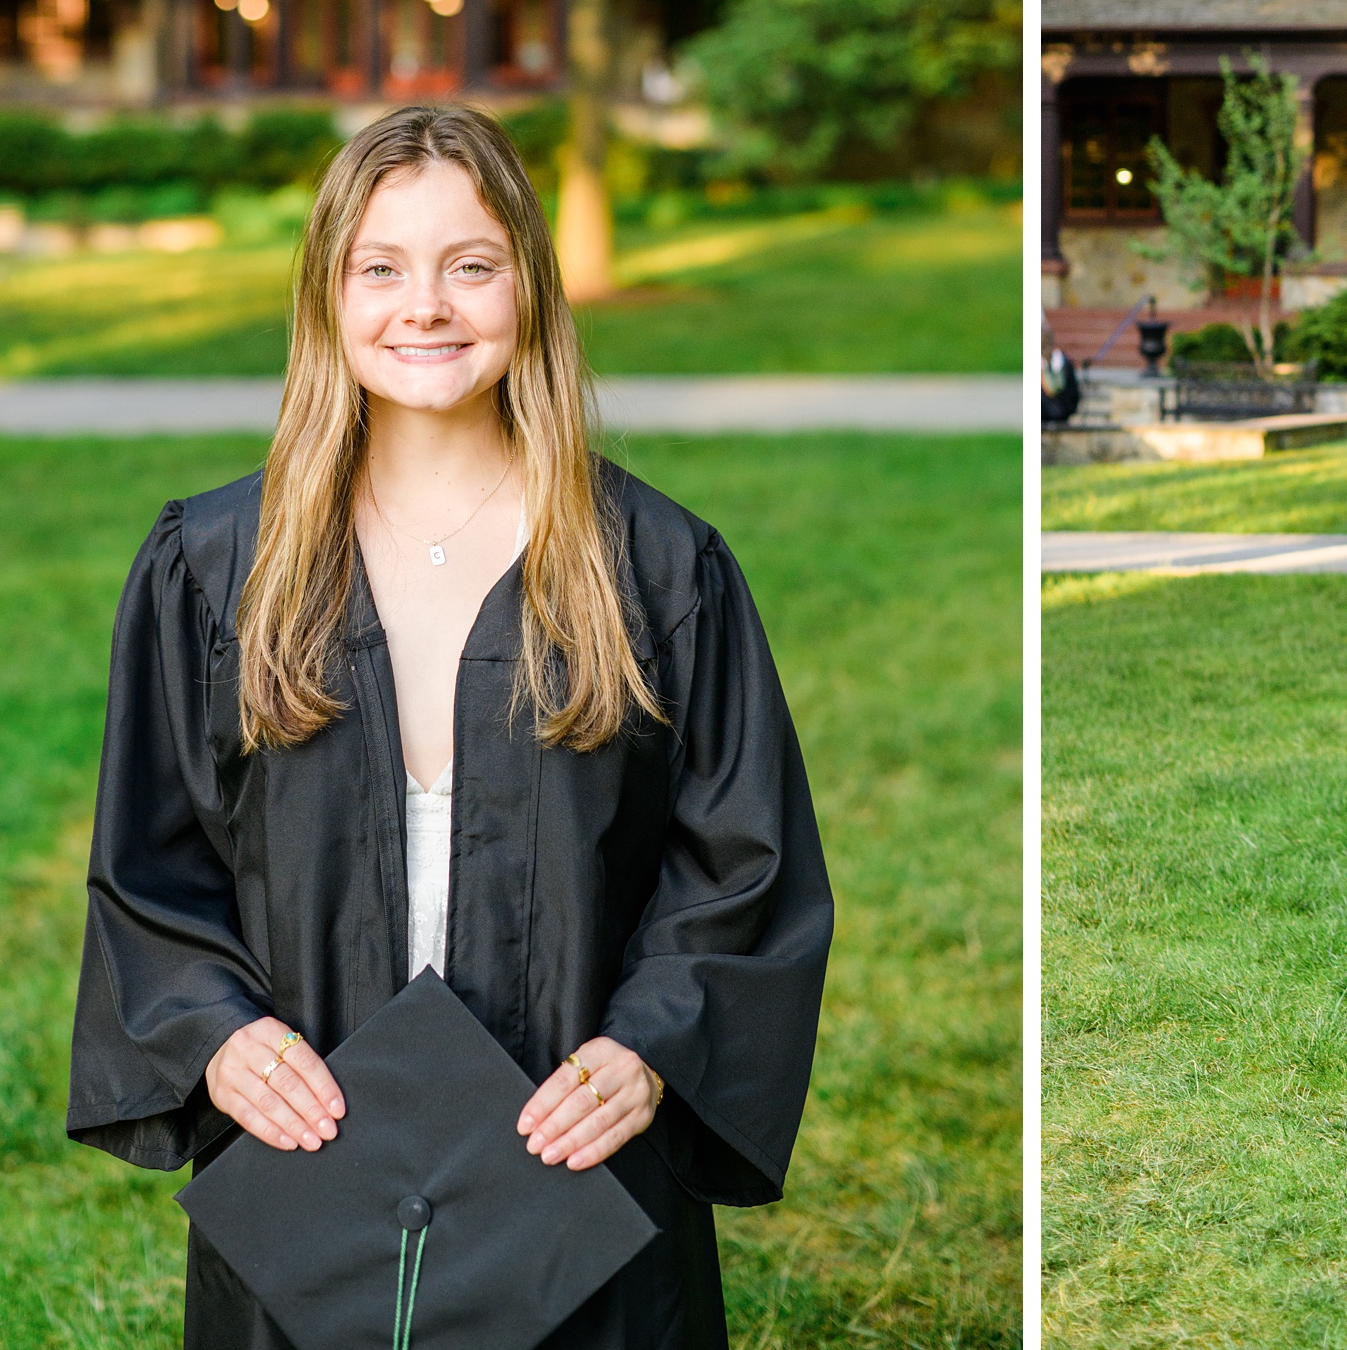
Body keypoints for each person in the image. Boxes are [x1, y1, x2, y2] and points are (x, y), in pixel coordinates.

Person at [67, 105, 833, 1348]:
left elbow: (740, 865)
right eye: (382, 267)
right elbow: (152, 870)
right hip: (312, 1150)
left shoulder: (653, 566)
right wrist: (216, 1034)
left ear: (530, 282)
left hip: (569, 1147)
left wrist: (648, 1049)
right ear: (327, 295)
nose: (425, 305)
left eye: (470, 264)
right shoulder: (217, 569)